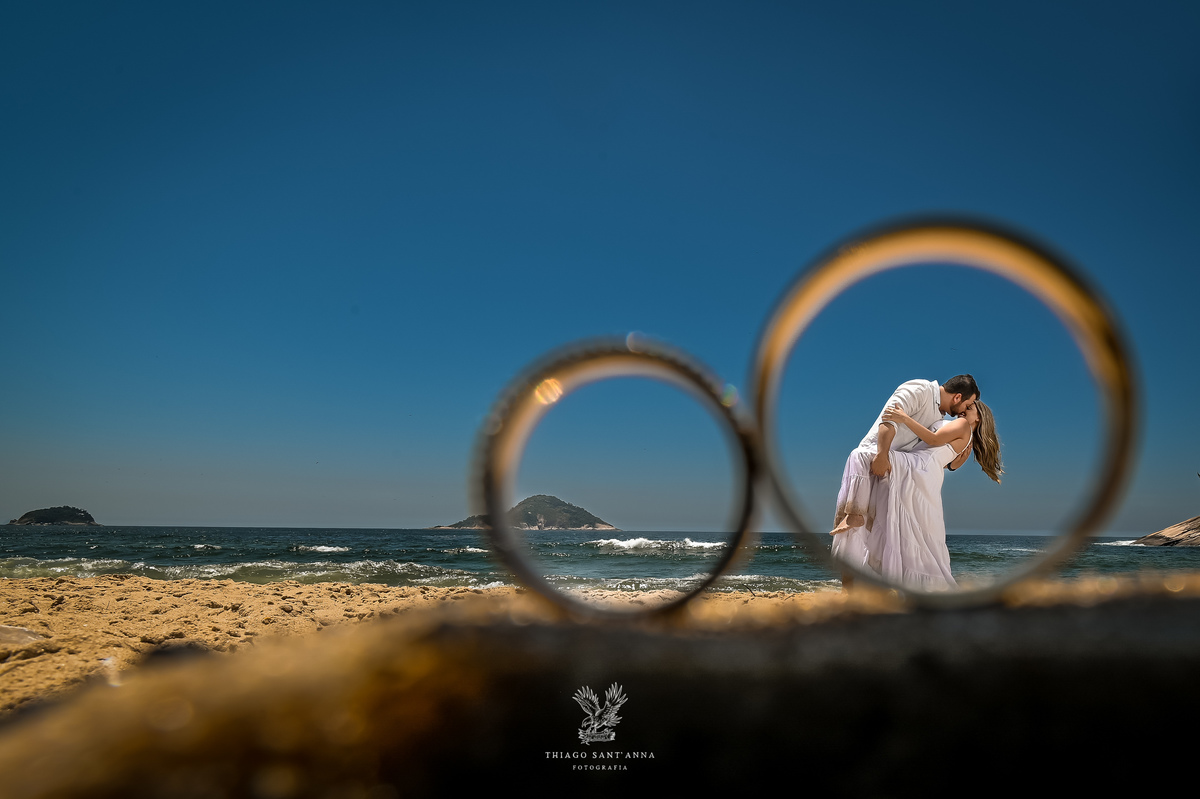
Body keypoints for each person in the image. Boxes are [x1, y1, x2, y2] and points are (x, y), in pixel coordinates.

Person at [830, 380, 1003, 591]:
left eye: (971, 407)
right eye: (968, 404)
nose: (966, 409)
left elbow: (932, 439)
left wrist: (903, 418)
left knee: (861, 455)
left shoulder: (963, 425)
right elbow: (951, 464)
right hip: (925, 473)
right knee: (918, 537)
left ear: (980, 416)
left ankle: (855, 513)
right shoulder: (964, 434)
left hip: (917, 468)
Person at [831, 375, 980, 536]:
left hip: (899, 465)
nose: (965, 410)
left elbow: (931, 446)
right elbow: (889, 419)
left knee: (877, 529)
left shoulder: (941, 418)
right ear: (957, 397)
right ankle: (854, 518)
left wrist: (953, 462)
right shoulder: (920, 390)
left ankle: (857, 521)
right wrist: (882, 454)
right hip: (879, 453)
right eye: (967, 404)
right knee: (859, 455)